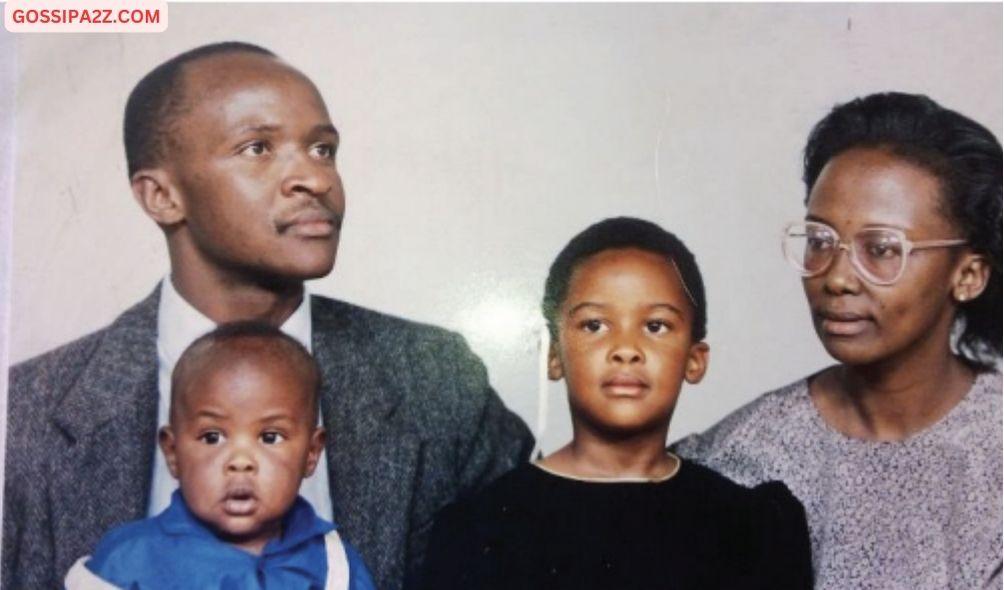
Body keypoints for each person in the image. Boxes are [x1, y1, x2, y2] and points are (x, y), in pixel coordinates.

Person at [3, 42, 534, 590]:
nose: (316, 180)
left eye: (323, 149)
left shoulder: (437, 378)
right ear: (161, 196)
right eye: (258, 148)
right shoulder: (24, 411)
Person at [673, 92, 1002, 589]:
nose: (838, 278)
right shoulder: (743, 457)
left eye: (882, 249)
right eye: (821, 241)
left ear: (969, 275)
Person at [419, 217, 813, 590]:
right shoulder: (480, 528)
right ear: (553, 355)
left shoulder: (751, 527)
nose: (626, 349)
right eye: (595, 325)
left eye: (655, 326)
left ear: (695, 360)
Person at [64, 323, 376, 589]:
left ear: (311, 453)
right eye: (212, 437)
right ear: (173, 452)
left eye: (270, 437)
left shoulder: (337, 567)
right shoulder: (129, 559)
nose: (240, 461)